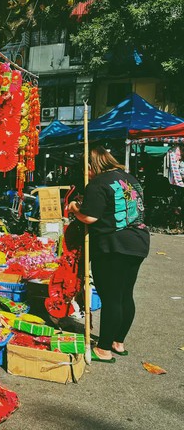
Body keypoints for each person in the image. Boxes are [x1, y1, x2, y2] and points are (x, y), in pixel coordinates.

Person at [68, 147, 150, 363]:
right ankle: (118, 342)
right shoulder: (130, 178)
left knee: (111, 297)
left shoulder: (99, 182)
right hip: (138, 241)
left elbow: (89, 217)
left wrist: (75, 207)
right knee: (125, 294)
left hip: (113, 245)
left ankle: (104, 349)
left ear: (91, 166)